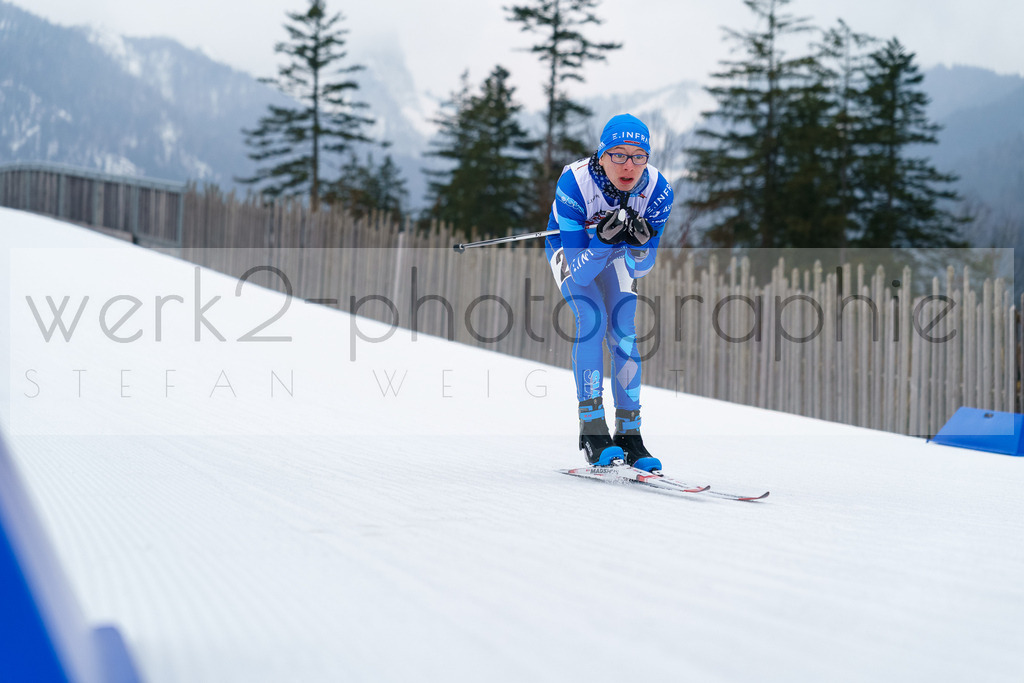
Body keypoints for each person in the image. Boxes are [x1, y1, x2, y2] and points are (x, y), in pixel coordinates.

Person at [544, 113, 673, 472]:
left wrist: (639, 246)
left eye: (638, 155)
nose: (628, 165)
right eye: (618, 154)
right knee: (593, 319)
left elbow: (642, 269)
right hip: (572, 248)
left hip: (615, 252)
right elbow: (582, 270)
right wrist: (601, 239)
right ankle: (592, 427)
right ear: (601, 155)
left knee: (625, 333)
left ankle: (630, 435)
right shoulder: (574, 182)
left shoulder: (659, 191)